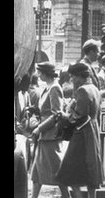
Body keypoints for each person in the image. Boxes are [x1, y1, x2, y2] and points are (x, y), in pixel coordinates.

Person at [53, 62, 102, 198]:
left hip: (82, 135)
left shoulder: (82, 90)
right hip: (93, 132)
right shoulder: (94, 88)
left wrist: (63, 116)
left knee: (68, 173)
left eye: (73, 76)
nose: (72, 79)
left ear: (80, 76)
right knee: (90, 171)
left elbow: (77, 117)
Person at [29, 62, 70, 198]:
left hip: (51, 136)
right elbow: (47, 110)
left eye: (40, 72)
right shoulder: (48, 87)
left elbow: (57, 114)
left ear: (46, 73)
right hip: (45, 136)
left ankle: (67, 196)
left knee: (58, 171)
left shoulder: (54, 88)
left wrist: (39, 129)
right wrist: (36, 110)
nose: (38, 75)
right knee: (37, 172)